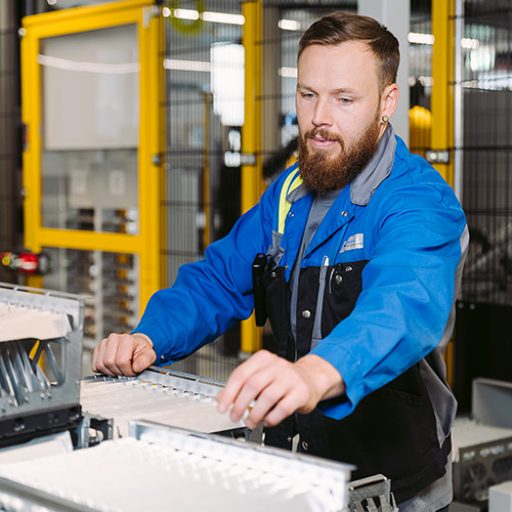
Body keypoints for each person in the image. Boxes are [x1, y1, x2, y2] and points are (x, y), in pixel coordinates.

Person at [93, 11, 467, 511]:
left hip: (394, 487)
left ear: (387, 103)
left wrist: (316, 373)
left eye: (344, 99)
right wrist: (149, 337)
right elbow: (218, 280)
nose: (319, 119)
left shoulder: (417, 201)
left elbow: (402, 305)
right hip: (299, 472)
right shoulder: (289, 193)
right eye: (308, 94)